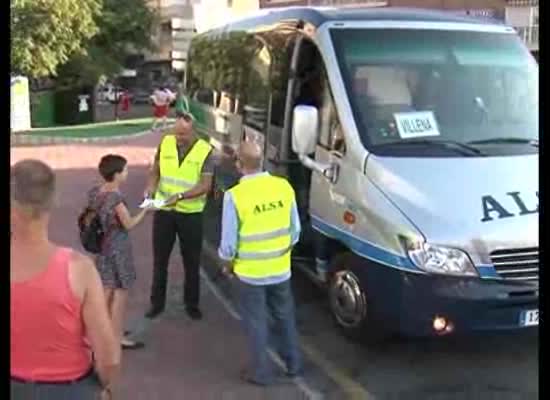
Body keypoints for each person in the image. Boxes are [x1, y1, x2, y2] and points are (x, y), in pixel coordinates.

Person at [11, 159, 120, 400]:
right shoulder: (79, 270)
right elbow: (108, 357)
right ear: (52, 203)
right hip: (71, 389)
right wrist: (102, 386)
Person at [218, 141, 303, 386]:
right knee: (285, 317)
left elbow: (229, 244)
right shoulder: (283, 187)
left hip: (250, 274)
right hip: (280, 270)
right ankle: (293, 364)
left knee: (256, 323)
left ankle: (261, 373)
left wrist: (227, 265)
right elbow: (295, 231)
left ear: (239, 165)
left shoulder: (234, 196)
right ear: (262, 160)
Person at [143, 103, 214, 320]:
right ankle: (157, 304)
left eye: (183, 134)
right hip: (164, 212)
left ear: (194, 130)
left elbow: (205, 186)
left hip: (191, 215)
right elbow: (155, 171)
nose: (179, 138)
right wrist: (150, 189)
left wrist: (181, 196)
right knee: (160, 260)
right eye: (176, 133)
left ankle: (192, 305)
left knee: (191, 262)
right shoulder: (165, 143)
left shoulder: (205, 151)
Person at [87, 154, 152, 349]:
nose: (127, 173)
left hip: (103, 248)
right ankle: (115, 337)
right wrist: (146, 210)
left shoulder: (95, 192)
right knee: (120, 295)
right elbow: (128, 223)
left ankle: (99, 331)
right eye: (124, 170)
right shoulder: (116, 198)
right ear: (116, 174)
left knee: (105, 292)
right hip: (118, 249)